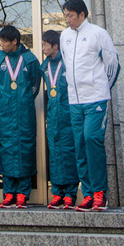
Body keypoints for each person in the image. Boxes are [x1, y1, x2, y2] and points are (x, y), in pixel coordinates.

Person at [60, 0, 119, 212]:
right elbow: (67, 65)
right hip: (75, 100)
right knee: (79, 145)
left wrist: (102, 89)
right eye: (65, 15)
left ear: (82, 15)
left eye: (71, 16)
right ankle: (87, 194)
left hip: (95, 99)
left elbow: (113, 65)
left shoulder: (98, 33)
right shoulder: (64, 35)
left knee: (92, 138)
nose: (68, 20)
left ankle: (100, 193)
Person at [0, 25, 41, 209]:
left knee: (25, 148)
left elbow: (35, 85)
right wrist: (6, 99)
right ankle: (9, 192)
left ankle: (22, 193)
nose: (1, 44)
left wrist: (25, 99)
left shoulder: (30, 60)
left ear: (15, 42)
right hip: (5, 112)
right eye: (1, 40)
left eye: (5, 41)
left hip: (24, 111)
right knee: (6, 148)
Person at [41, 29, 83, 209]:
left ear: (55, 46)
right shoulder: (44, 66)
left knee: (68, 153)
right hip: (53, 116)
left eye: (45, 44)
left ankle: (70, 194)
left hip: (68, 115)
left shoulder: (67, 63)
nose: (42, 47)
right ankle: (57, 192)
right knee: (55, 154)